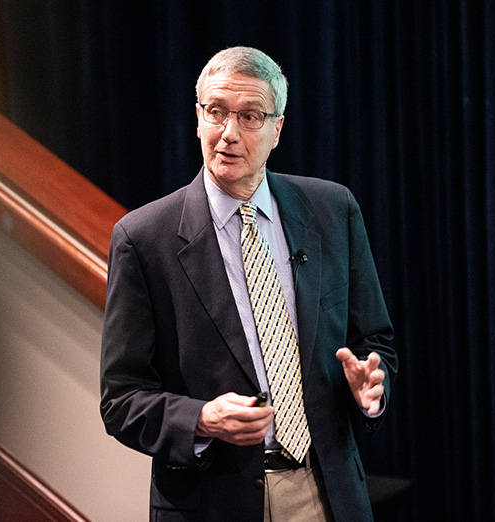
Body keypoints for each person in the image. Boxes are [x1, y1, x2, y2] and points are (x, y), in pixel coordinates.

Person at [100, 46, 398, 522]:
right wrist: (201, 419)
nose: (228, 134)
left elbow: (375, 342)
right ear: (198, 119)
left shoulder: (332, 210)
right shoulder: (143, 239)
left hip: (326, 490)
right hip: (214, 499)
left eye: (251, 116)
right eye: (216, 112)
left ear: (277, 129)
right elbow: (121, 399)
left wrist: (370, 391)